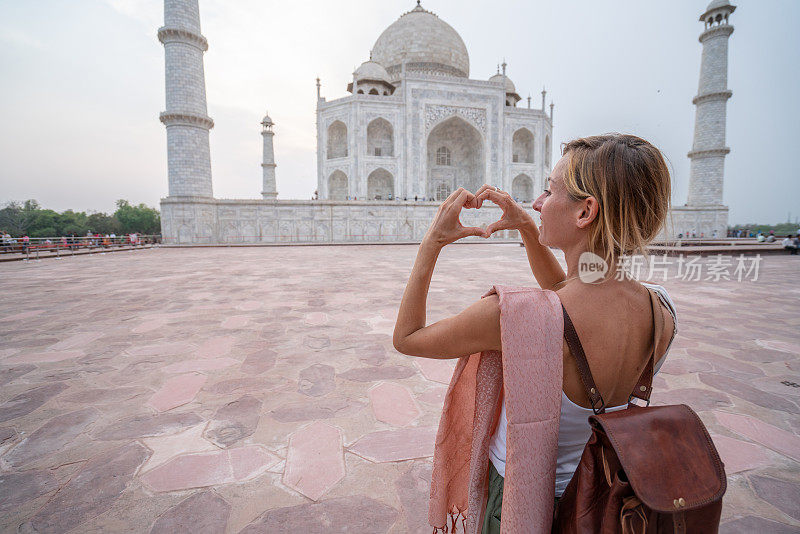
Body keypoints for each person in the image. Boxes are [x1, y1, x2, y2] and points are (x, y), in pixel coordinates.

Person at [393, 134, 677, 533]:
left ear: (585, 212)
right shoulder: (661, 309)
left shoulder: (514, 315)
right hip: (602, 500)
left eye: (549, 190)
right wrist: (528, 227)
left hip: (522, 503)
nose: (537, 203)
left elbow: (408, 337)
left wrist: (433, 241)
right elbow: (574, 296)